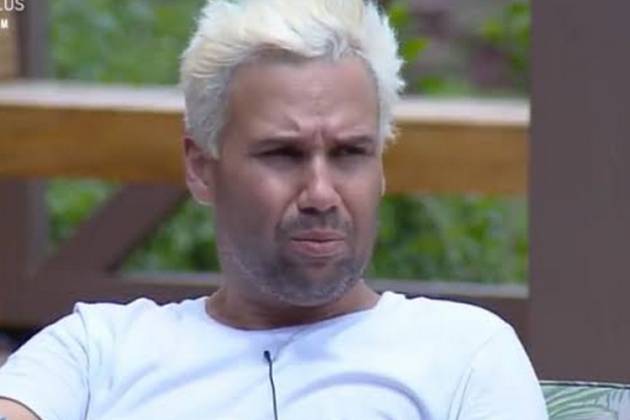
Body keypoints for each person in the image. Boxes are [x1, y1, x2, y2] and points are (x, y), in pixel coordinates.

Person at [0, 0, 548, 419]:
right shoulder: (95, 352)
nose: (321, 193)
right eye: (283, 154)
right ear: (202, 167)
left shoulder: (464, 352)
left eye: (350, 154)